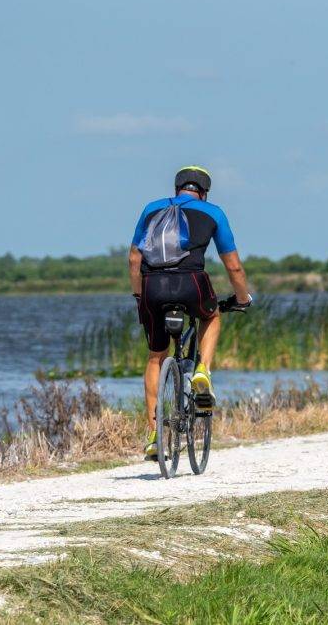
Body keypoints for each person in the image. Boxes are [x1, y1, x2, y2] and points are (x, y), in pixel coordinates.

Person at [129, 165, 252, 459]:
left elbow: (135, 259)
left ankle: (154, 434)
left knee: (156, 355)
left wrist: (139, 295)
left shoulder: (151, 209)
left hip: (153, 288)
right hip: (192, 285)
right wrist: (242, 298)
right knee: (211, 316)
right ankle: (202, 370)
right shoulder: (214, 213)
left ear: (176, 189)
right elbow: (233, 265)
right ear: (204, 192)